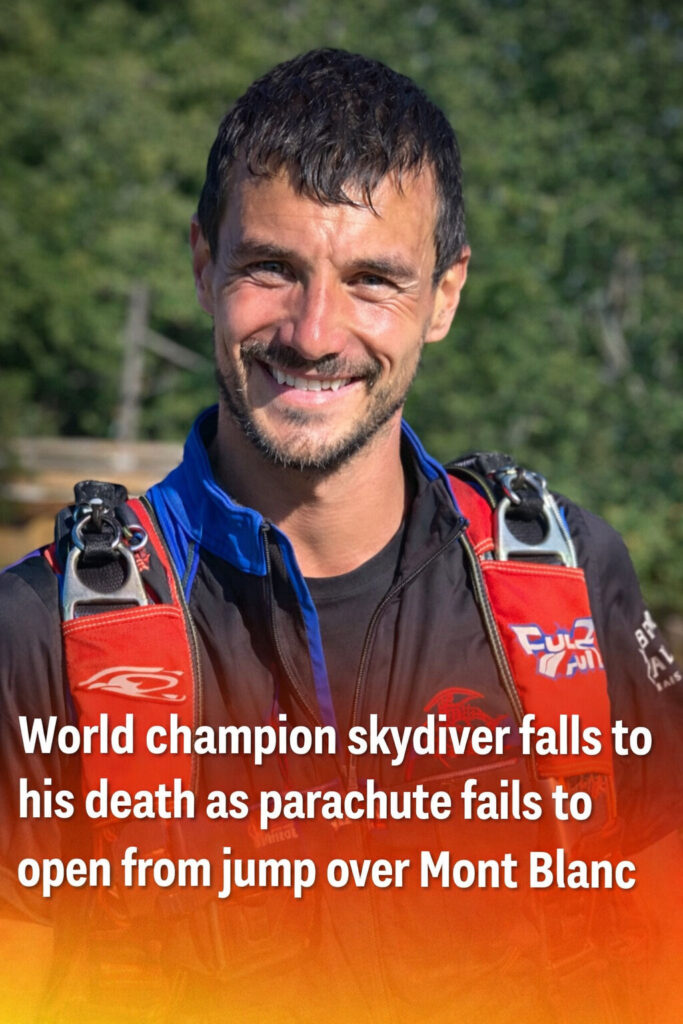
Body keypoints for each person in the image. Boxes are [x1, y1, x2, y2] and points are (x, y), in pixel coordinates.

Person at [1, 48, 682, 1024]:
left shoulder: (566, 589)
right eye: (271, 269)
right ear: (202, 265)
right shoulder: (41, 641)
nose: (314, 332)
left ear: (443, 297)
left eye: (373, 280)